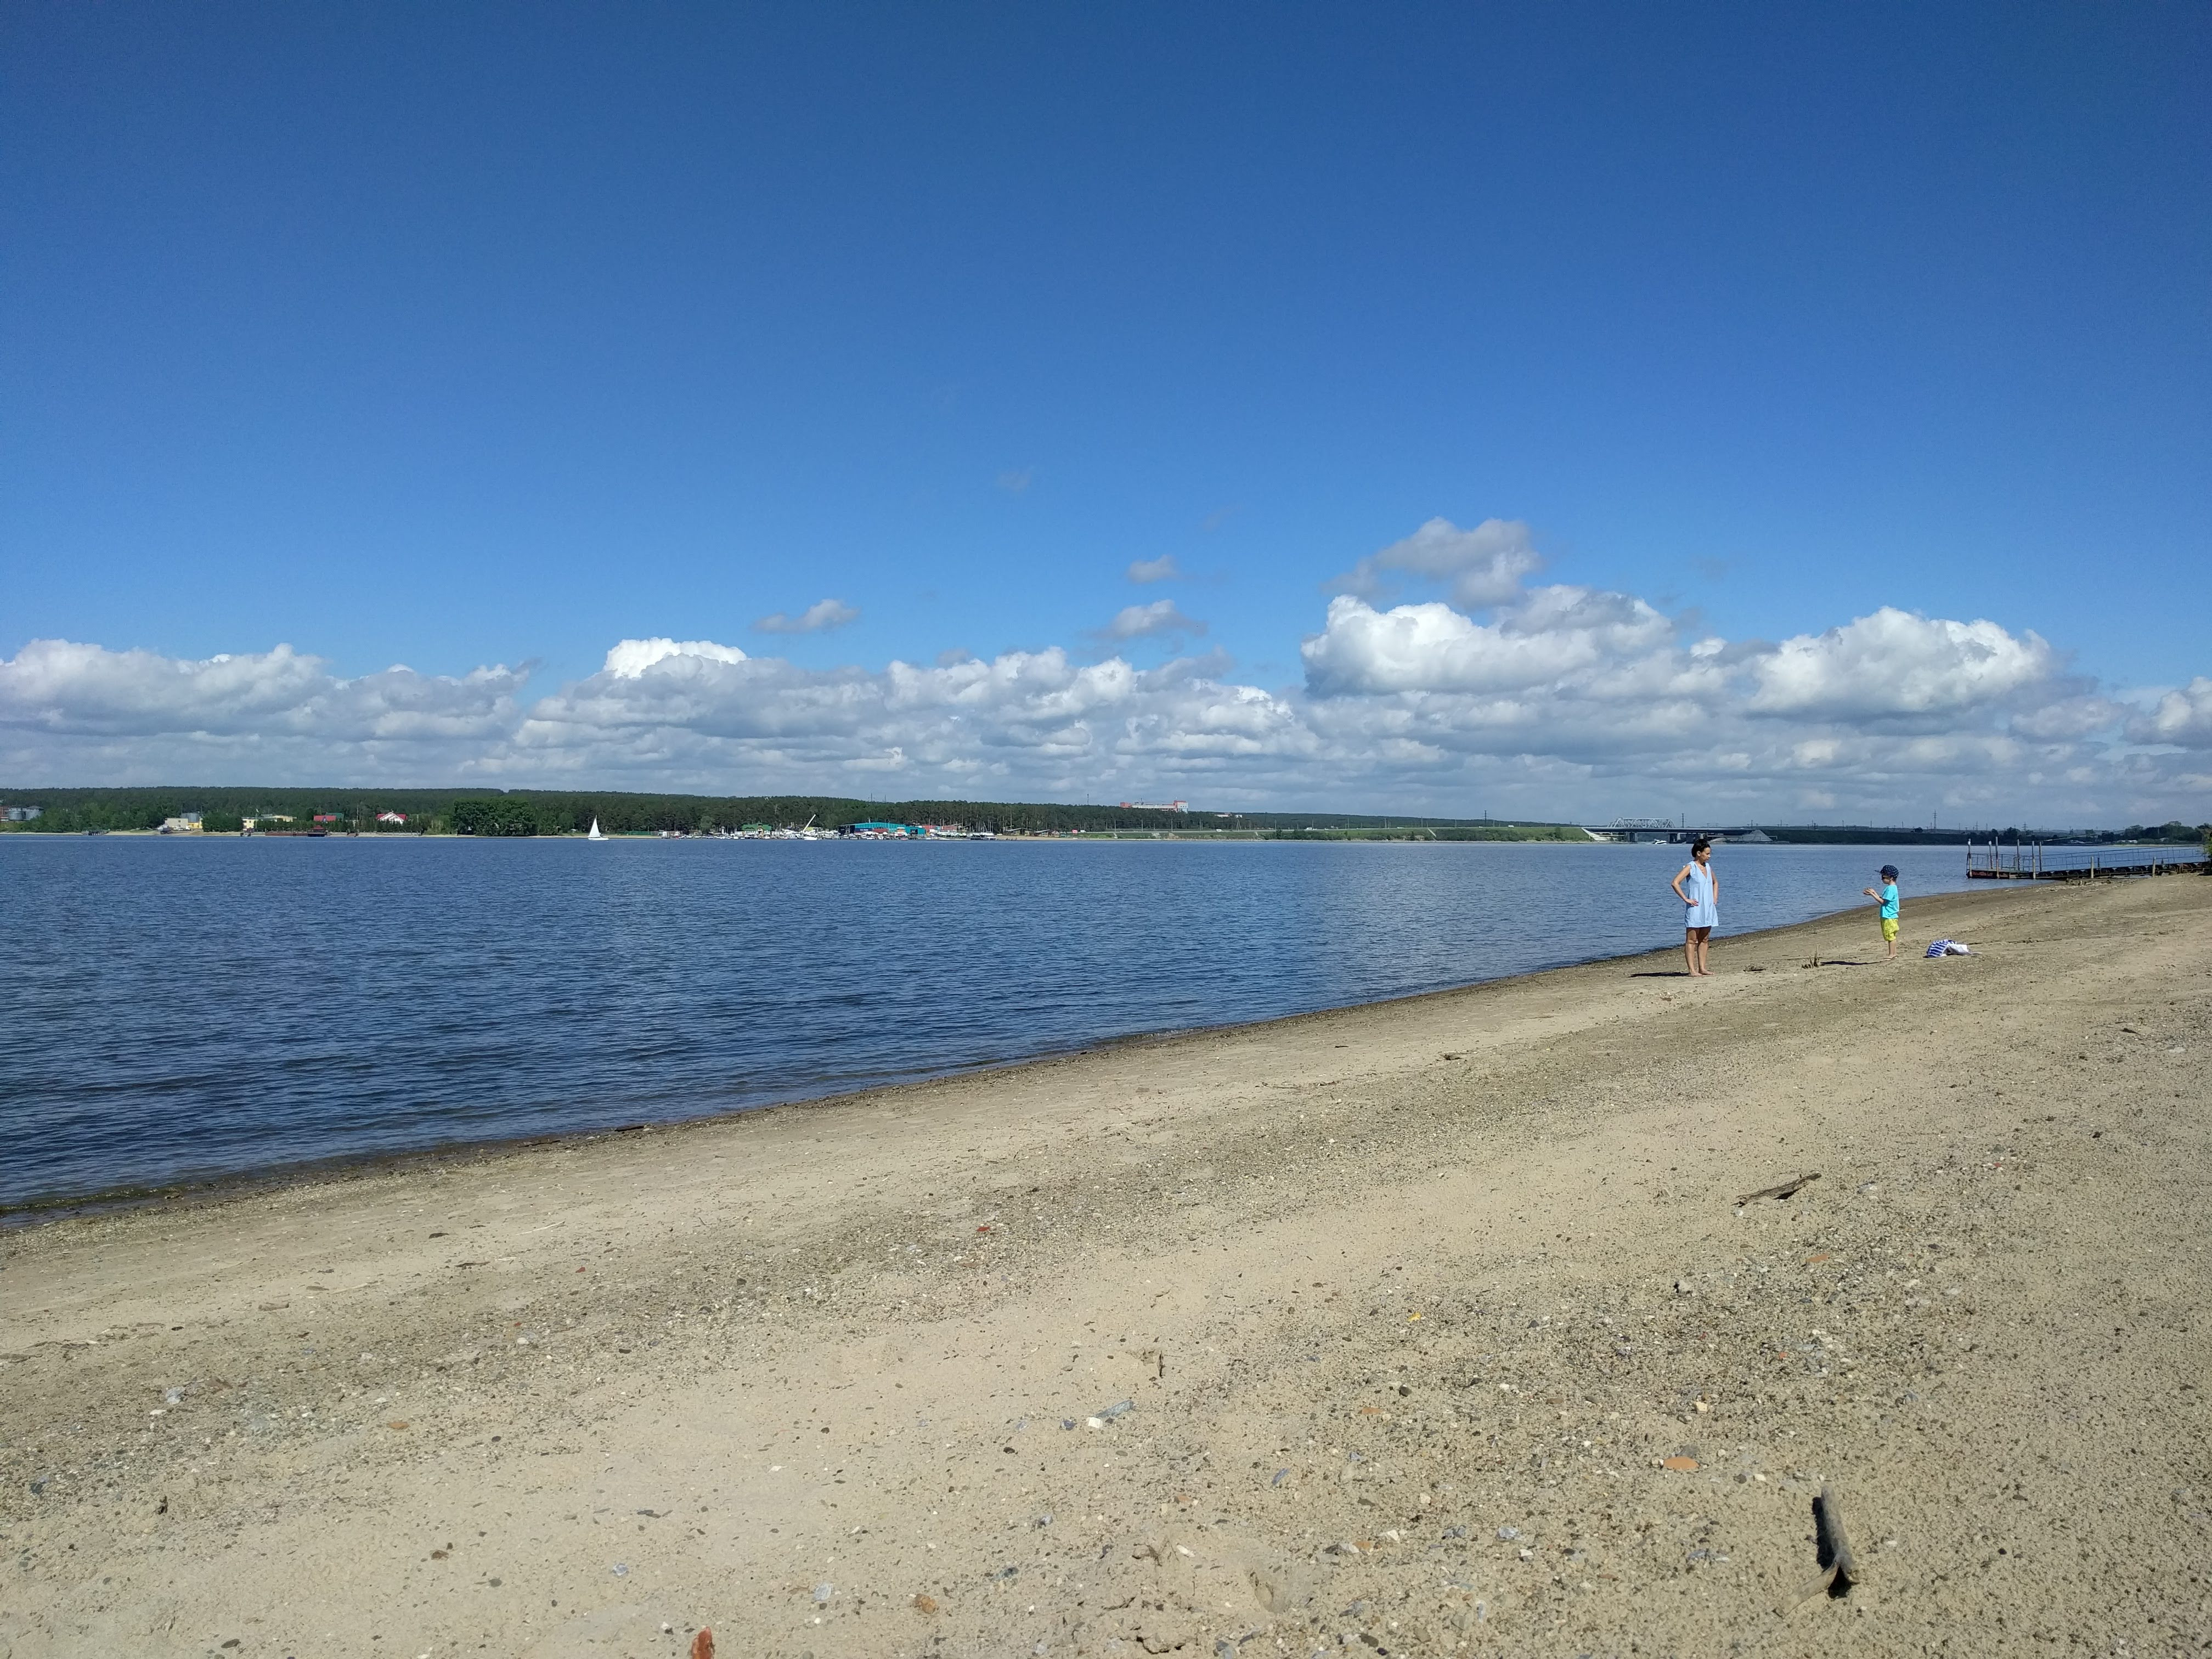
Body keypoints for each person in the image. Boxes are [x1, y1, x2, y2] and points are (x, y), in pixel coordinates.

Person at [1670, 838, 1718, 975]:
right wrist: (1686, 899)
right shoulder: (1690, 867)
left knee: (1704, 939)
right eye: (1707, 854)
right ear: (1699, 853)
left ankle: (1702, 968)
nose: (1709, 856)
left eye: (1710, 854)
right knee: (1692, 940)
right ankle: (1692, 970)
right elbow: (1675, 883)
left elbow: (1715, 883)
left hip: (1708, 908)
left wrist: (1714, 898)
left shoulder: (1708, 867)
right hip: (1695, 908)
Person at [1861, 864, 1902, 960]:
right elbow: (1885, 900)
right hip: (1890, 916)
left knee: (1890, 936)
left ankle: (1892, 954)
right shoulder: (1892, 888)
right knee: (1891, 935)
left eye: (1884, 877)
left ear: (1891, 878)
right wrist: (1874, 893)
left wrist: (1872, 894)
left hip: (1889, 916)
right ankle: (1893, 953)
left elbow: (1883, 902)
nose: (1882, 879)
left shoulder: (1890, 889)